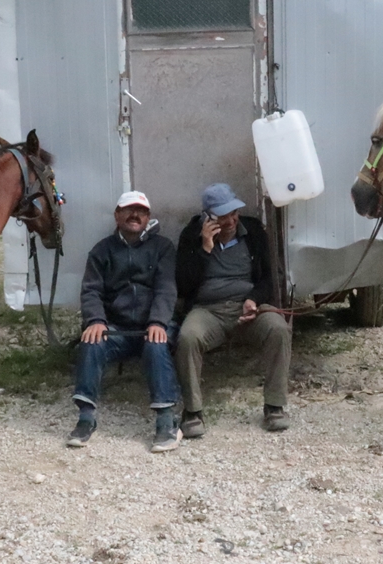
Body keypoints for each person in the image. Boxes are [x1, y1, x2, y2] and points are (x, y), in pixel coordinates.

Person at [174, 183, 292, 437]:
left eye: (233, 213)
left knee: (278, 329)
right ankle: (193, 411)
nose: (230, 220)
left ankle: (274, 406)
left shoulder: (253, 232)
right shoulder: (191, 236)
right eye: (223, 215)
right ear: (208, 217)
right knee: (187, 337)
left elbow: (272, 277)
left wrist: (253, 299)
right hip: (209, 310)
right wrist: (204, 248)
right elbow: (184, 285)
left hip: (247, 306)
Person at [68, 191, 182, 453]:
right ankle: (86, 418)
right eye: (129, 210)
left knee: (157, 344)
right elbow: (91, 291)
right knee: (92, 340)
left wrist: (157, 322)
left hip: (151, 326)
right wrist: (96, 320)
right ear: (117, 215)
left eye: (141, 211)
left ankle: (166, 421)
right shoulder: (101, 250)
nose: (135, 215)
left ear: (148, 217)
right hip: (117, 328)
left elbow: (166, 289)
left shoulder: (162, 248)